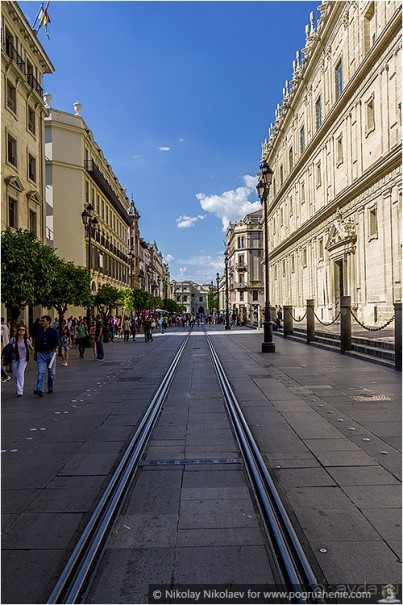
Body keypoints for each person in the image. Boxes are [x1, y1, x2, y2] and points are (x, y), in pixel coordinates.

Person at [33, 315, 60, 397]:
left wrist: (56, 350)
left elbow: (57, 343)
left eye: (43, 321)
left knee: (51, 373)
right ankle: (39, 389)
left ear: (48, 322)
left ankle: (50, 386)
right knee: (41, 372)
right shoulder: (38, 331)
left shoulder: (53, 331)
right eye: (41, 321)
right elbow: (36, 343)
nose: (42, 322)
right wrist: (35, 353)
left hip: (51, 353)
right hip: (41, 354)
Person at [10, 325, 34, 396]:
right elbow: (8, 348)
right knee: (15, 374)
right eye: (19, 329)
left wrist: (36, 354)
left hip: (23, 358)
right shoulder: (13, 339)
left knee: (20, 372)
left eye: (23, 330)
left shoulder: (26, 340)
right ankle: (18, 387)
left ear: (25, 332)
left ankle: (20, 391)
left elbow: (31, 348)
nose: (21, 331)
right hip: (14, 358)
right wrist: (12, 347)